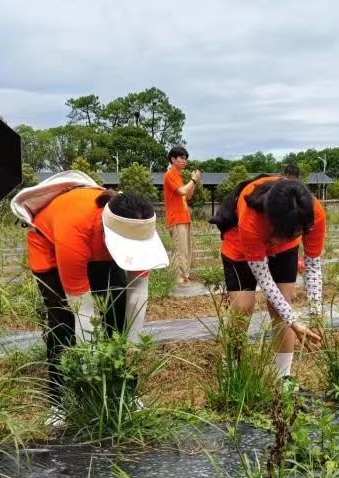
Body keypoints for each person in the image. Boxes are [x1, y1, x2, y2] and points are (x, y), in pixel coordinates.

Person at [12, 172, 168, 395]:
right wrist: (90, 374)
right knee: (64, 319)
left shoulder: (139, 228)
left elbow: (137, 294)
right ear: (107, 231)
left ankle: (121, 388)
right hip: (49, 247)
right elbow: (83, 311)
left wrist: (131, 349)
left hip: (97, 245)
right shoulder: (74, 231)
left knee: (117, 306)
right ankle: (62, 394)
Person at [211, 175, 326, 381]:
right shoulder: (251, 219)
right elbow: (263, 278)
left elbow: (313, 266)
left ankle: (284, 377)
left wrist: (316, 314)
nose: (283, 239)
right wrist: (294, 321)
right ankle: (233, 371)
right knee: (242, 308)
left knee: (281, 307)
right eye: (283, 234)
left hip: (285, 251)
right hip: (240, 246)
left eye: (296, 233)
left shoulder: (313, 213)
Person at [163, 146, 201, 283]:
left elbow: (188, 195)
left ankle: (185, 276)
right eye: (181, 158)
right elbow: (182, 191)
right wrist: (193, 180)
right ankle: (178, 279)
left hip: (184, 217)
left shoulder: (178, 176)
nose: (184, 161)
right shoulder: (170, 175)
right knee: (180, 250)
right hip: (176, 218)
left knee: (186, 250)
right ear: (173, 159)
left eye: (185, 158)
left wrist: (194, 182)